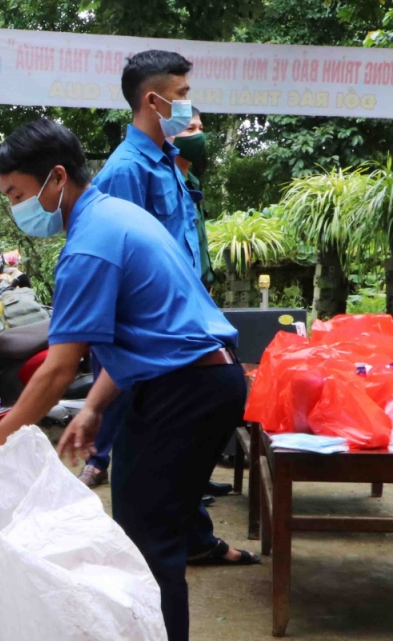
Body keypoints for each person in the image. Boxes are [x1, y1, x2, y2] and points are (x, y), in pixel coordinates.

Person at [0, 118, 246, 641]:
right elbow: (143, 329)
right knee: (147, 532)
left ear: (56, 178)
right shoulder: (115, 216)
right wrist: (94, 408)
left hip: (185, 390)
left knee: (150, 544)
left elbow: (59, 368)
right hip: (194, 380)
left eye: (15, 194)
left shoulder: (89, 244)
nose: (15, 209)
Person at [77, 52, 256, 567]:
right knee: (148, 477)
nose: (188, 104)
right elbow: (121, 278)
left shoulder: (165, 161)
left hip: (183, 335)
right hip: (152, 348)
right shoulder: (126, 172)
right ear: (152, 101)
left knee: (180, 459)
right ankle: (168, 550)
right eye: (180, 95)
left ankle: (192, 539)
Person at [173, 108, 214, 289]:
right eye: (190, 129)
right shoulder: (165, 181)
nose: (198, 136)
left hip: (200, 286)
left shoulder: (193, 181)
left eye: (201, 128)